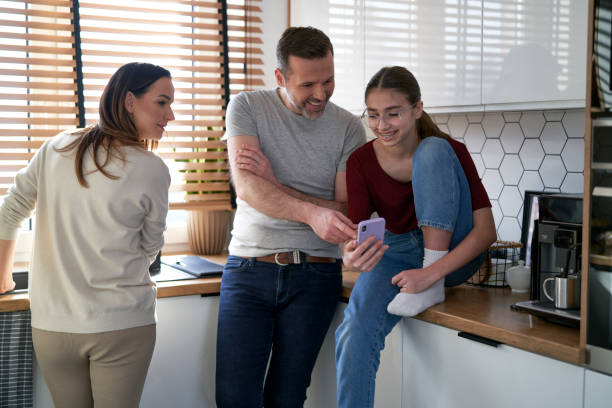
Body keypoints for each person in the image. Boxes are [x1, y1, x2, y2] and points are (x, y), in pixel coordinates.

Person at [0, 62, 174, 408]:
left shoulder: (57, 147)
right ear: (129, 101)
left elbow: (10, 210)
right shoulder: (151, 168)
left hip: (53, 326)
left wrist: (3, 278)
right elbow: (151, 248)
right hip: (121, 324)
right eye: (162, 102)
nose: (170, 116)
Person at [216, 26, 366, 407]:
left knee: (287, 398)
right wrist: (312, 211)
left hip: (315, 276)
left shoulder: (349, 127)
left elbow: (346, 211)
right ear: (280, 77)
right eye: (308, 85)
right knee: (234, 398)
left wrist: (275, 182)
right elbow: (249, 189)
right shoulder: (247, 107)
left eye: (328, 81)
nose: (321, 94)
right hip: (249, 269)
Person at [335, 66, 497, 407]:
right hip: (397, 249)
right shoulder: (361, 162)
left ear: (417, 109)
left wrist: (430, 273)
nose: (382, 126)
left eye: (393, 114)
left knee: (433, 150)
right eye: (374, 115)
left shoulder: (450, 150)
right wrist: (349, 253)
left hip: (454, 255)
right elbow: (357, 232)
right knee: (354, 331)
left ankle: (432, 275)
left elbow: (486, 232)